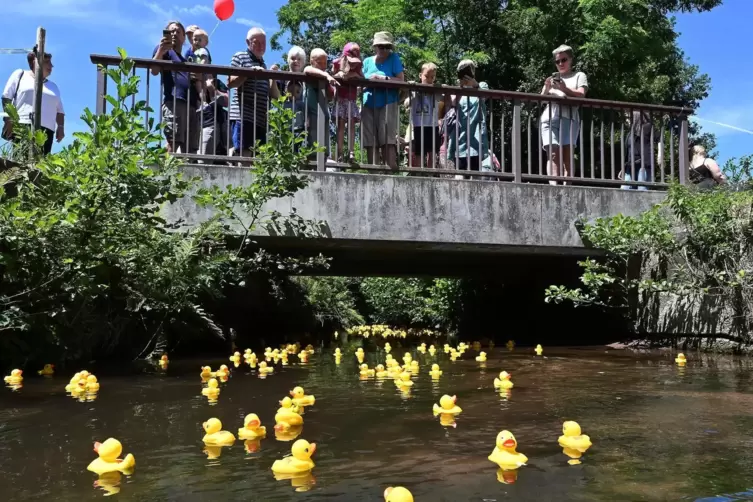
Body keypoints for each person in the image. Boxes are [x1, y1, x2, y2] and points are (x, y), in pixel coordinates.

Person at [228, 27, 280, 157]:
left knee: (258, 159)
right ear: (248, 42)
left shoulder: (263, 64)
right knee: (244, 154)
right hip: (243, 117)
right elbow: (230, 82)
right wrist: (249, 72)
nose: (261, 46)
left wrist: (272, 76)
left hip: (260, 120)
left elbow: (273, 95)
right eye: (257, 42)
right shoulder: (240, 56)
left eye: (263, 43)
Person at [540, 44, 588, 185]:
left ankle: (567, 188)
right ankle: (554, 187)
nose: (560, 63)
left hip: (569, 118)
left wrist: (564, 89)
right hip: (549, 118)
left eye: (564, 60)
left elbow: (581, 95)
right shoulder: (553, 78)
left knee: (567, 156)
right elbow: (541, 100)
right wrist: (547, 88)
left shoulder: (579, 75)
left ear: (571, 59)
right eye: (557, 61)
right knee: (553, 153)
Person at [2, 47, 64, 155]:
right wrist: (9, 120)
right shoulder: (20, 75)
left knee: (40, 165)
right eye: (47, 62)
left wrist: (60, 127)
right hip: (23, 125)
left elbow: (60, 111)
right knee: (21, 162)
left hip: (47, 132)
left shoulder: (54, 87)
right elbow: (6, 97)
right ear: (36, 61)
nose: (51, 66)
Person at [152, 21, 201, 154]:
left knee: (191, 149)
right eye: (171, 31)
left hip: (191, 105)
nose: (174, 34)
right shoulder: (164, 50)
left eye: (178, 31)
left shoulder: (186, 60)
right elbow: (154, 70)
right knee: (173, 142)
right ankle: (166, 172)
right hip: (174, 102)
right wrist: (161, 50)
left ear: (184, 38)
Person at [362, 31, 405, 170]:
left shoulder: (394, 59)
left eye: (387, 47)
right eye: (381, 46)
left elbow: (401, 80)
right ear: (375, 47)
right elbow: (360, 81)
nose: (384, 50)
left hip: (388, 102)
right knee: (370, 139)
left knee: (387, 139)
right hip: (368, 103)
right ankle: (373, 172)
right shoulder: (367, 61)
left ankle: (390, 171)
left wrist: (383, 78)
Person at [446, 60, 492, 178]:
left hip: (476, 138)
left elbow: (485, 96)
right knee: (460, 176)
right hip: (459, 138)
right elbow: (453, 103)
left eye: (469, 68)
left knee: (476, 176)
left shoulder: (481, 85)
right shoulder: (456, 89)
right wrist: (460, 89)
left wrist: (474, 84)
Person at [304, 48, 340, 164]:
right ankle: (312, 157)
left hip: (323, 120)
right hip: (311, 118)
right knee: (311, 136)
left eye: (325, 63)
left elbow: (331, 96)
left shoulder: (324, 78)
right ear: (312, 61)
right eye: (320, 63)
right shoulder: (310, 71)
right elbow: (307, 69)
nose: (323, 66)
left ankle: (324, 156)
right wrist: (326, 75)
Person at [404, 62, 442, 168]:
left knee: (432, 151)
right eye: (427, 76)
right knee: (419, 152)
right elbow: (406, 103)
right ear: (420, 75)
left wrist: (439, 87)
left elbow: (443, 97)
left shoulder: (435, 90)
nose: (429, 79)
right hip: (418, 125)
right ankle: (421, 171)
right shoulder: (414, 90)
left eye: (432, 77)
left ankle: (430, 172)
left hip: (432, 125)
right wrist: (411, 89)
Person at [332, 42, 363, 162]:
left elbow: (363, 78)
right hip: (340, 99)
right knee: (340, 126)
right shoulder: (337, 63)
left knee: (351, 126)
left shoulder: (358, 67)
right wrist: (339, 74)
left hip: (351, 100)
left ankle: (351, 152)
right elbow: (332, 76)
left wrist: (354, 74)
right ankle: (339, 152)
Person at [620, 110, 661, 190]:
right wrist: (623, 168)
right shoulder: (630, 133)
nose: (626, 120)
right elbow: (629, 151)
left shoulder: (647, 127)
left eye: (628, 118)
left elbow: (660, 138)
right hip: (630, 166)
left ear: (635, 118)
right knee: (624, 190)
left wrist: (660, 155)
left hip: (643, 164)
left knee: (642, 190)